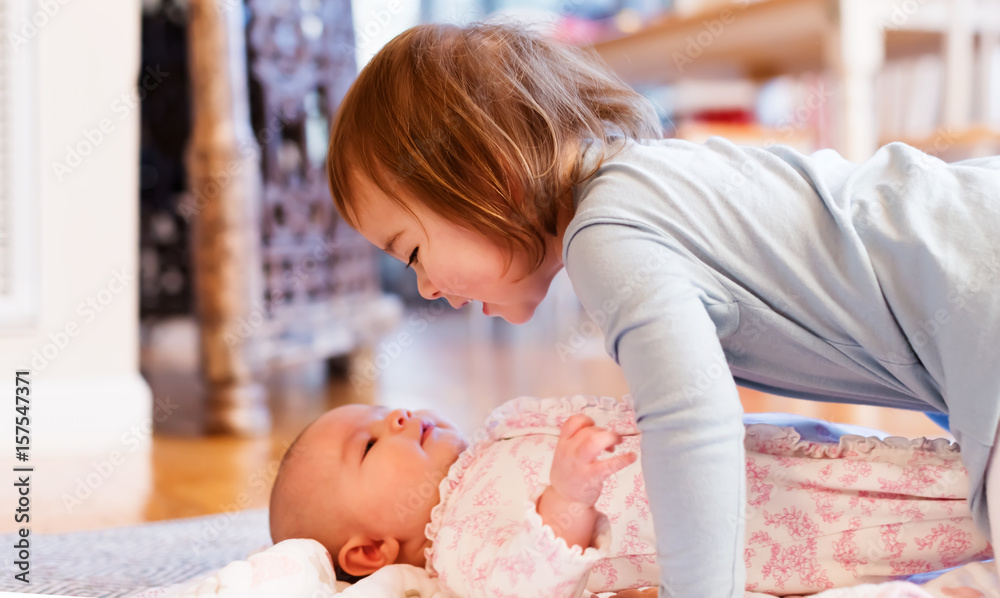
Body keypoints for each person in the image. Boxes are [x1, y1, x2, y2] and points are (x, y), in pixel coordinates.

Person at [323, 20, 1000, 597]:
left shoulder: (608, 237)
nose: (425, 289)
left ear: (489, 174)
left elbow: (691, 425)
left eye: (411, 251)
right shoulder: (645, 185)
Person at [269, 396, 991, 597]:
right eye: (368, 444)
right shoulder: (455, 550)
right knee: (890, 522)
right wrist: (568, 492)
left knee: (894, 463)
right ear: (368, 550)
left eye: (383, 408)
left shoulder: (494, 433)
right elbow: (531, 581)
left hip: (740, 452)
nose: (395, 418)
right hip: (754, 531)